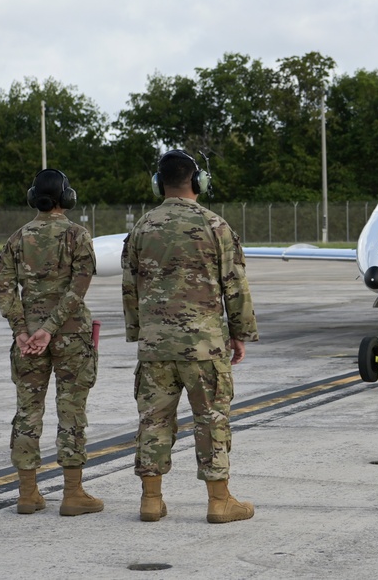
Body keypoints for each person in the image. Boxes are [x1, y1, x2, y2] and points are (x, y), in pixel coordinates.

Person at [122, 149, 259, 523]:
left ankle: (151, 500)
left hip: (155, 347)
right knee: (211, 419)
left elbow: (129, 286)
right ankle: (219, 502)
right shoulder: (216, 226)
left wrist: (140, 332)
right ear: (197, 182)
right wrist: (240, 333)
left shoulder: (141, 229)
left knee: (153, 420)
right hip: (204, 345)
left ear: (158, 184)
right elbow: (235, 284)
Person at [0, 168, 103, 516]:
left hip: (28, 339)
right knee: (72, 410)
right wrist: (52, 327)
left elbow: (4, 286)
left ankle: (27, 494)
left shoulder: (18, 238)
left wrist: (22, 330)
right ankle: (73, 494)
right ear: (66, 198)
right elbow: (78, 286)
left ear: (33, 198)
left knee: (28, 410)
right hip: (70, 336)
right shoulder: (77, 235)